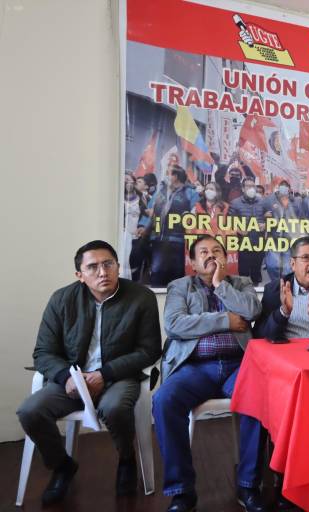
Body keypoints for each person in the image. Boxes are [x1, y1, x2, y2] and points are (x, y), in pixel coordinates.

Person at [17, 241, 162, 506]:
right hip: (72, 380)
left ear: (118, 266)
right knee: (30, 411)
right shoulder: (61, 299)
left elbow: (149, 350)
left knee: (116, 407)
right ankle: (62, 466)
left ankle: (127, 459)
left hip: (118, 376)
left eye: (108, 264)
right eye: (92, 267)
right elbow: (43, 352)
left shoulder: (141, 297)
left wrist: (104, 374)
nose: (102, 272)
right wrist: (67, 378)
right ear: (79, 275)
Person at [153, 235, 264, 512]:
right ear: (192, 262)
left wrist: (220, 285)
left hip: (238, 366)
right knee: (164, 400)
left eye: (217, 250)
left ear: (227, 258)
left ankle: (248, 485)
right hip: (195, 368)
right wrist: (225, 319)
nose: (211, 255)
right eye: (203, 252)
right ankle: (182, 490)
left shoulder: (242, 283)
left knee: (260, 398)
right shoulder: (180, 286)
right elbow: (176, 324)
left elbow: (252, 310)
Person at [140, 165, 200, 287]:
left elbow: (196, 215)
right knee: (157, 273)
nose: (165, 176)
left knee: (177, 274)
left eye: (168, 173)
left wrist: (189, 216)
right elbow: (150, 212)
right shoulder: (160, 193)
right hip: (158, 240)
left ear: (176, 177)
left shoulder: (190, 193)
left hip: (179, 242)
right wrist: (143, 225)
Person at [229, 179, 266, 285]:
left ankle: (256, 296)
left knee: (256, 274)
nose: (251, 189)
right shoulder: (235, 203)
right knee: (243, 274)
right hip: (243, 244)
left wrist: (265, 225)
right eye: (248, 186)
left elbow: (269, 218)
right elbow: (229, 222)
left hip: (258, 243)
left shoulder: (262, 202)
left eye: (253, 186)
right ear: (243, 188)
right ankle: (244, 296)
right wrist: (239, 230)